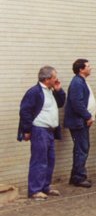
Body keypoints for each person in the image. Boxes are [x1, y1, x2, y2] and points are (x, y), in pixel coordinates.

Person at [18, 66, 66, 201]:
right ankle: (35, 190)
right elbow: (25, 111)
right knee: (39, 160)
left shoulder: (50, 91)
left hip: (49, 130)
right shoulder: (34, 92)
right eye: (54, 77)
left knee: (50, 159)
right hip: (39, 129)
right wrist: (27, 130)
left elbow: (61, 103)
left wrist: (59, 90)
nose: (57, 79)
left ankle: (45, 186)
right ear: (47, 79)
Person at [64, 58, 95, 188]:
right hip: (78, 122)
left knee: (82, 148)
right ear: (81, 69)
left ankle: (76, 175)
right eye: (88, 66)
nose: (90, 68)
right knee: (81, 148)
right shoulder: (77, 83)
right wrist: (87, 116)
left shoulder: (80, 81)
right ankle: (79, 177)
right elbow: (77, 102)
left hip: (80, 122)